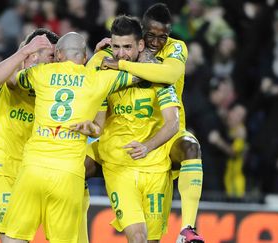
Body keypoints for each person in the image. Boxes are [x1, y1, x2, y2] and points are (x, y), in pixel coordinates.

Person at [1, 31, 174, 243]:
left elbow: (10, 81)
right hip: (68, 173)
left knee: (13, 237)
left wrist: (24, 51)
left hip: (33, 167)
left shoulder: (41, 73)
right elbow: (152, 74)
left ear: (58, 55)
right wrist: (116, 59)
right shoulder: (98, 79)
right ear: (84, 59)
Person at [98, 3, 205, 242]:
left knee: (191, 147)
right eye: (151, 36)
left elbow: (168, 75)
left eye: (163, 37)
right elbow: (91, 74)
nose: (157, 42)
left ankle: (188, 228)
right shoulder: (122, 50)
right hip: (123, 140)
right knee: (79, 164)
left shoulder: (176, 48)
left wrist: (121, 64)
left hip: (165, 136)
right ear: (141, 34)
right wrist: (102, 55)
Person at [87, 15, 181, 243]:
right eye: (116, 47)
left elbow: (173, 122)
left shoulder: (157, 74)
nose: (121, 54)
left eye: (127, 47)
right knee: (137, 237)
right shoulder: (106, 72)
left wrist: (147, 147)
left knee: (151, 240)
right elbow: (94, 113)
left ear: (140, 45)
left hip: (156, 167)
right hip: (119, 166)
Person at [0, 29, 58, 241]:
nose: (37, 58)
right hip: (2, 168)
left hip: (33, 172)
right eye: (35, 53)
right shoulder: (7, 79)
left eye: (50, 56)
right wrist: (25, 51)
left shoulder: (50, 89)